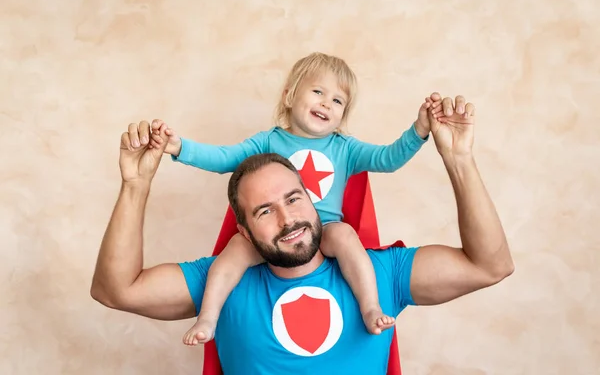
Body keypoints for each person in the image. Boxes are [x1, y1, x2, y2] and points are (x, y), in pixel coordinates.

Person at [90, 93, 514, 375]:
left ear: (314, 201)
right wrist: (135, 185)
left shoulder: (375, 272)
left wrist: (459, 160)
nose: (287, 218)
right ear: (243, 231)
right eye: (264, 210)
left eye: (294, 199)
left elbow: (490, 265)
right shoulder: (224, 280)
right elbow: (117, 291)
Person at [148, 52, 438, 344]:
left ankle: (371, 307)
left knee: (346, 236)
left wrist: (419, 131)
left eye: (338, 101)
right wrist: (179, 148)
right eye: (318, 91)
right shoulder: (267, 141)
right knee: (233, 251)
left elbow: (387, 159)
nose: (327, 103)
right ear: (289, 96)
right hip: (274, 235)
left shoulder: (345, 148)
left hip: (322, 231)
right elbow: (224, 158)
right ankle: (208, 318)